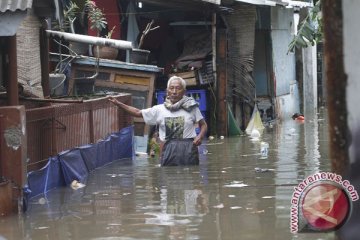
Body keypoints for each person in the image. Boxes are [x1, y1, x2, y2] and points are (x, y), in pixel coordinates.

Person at [108, 76, 208, 166]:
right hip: (168, 149)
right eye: (171, 88)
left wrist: (200, 136)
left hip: (189, 149)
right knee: (167, 179)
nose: (174, 91)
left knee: (191, 177)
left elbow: (203, 125)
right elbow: (138, 112)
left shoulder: (192, 108)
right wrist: (118, 103)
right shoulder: (159, 109)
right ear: (167, 91)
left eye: (178, 88)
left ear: (184, 92)